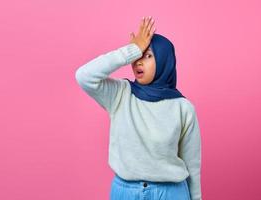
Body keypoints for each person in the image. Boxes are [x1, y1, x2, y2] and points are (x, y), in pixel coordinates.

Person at [75, 16, 202, 200]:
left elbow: (192, 164)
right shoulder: (120, 94)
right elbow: (84, 76)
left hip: (171, 193)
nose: (138, 62)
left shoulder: (183, 108)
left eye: (148, 55)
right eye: (137, 57)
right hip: (126, 192)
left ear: (165, 60)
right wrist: (132, 50)